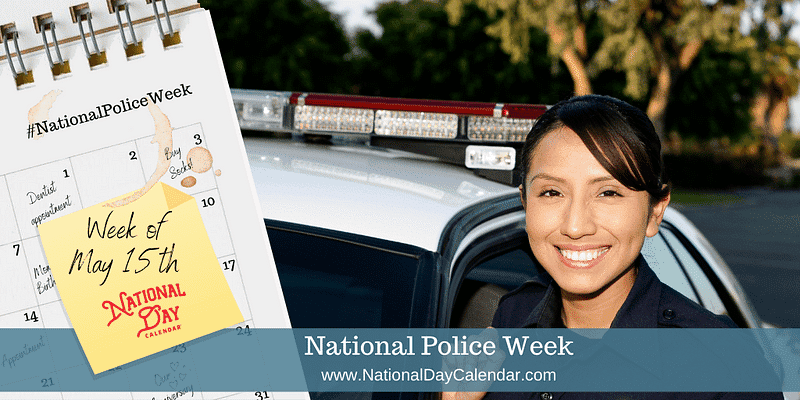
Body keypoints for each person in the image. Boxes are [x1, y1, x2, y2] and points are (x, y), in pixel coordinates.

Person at [444, 94, 782, 400]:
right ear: (525, 203)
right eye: (551, 192)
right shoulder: (509, 320)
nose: (575, 226)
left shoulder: (723, 367)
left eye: (608, 193)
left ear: (655, 211)